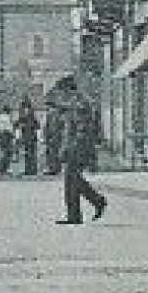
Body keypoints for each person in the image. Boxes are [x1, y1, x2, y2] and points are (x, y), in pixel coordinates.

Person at [54, 77, 106, 225]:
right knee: (72, 180)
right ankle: (76, 214)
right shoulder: (75, 103)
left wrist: (72, 148)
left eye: (61, 92)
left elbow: (82, 130)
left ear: (67, 90)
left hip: (79, 147)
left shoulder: (79, 104)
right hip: (76, 146)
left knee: (72, 179)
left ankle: (96, 202)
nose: (60, 96)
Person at [16, 100, 41, 175]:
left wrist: (24, 126)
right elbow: (17, 124)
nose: (25, 110)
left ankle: (32, 170)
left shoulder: (30, 117)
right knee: (28, 154)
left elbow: (37, 126)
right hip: (28, 138)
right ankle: (29, 170)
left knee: (31, 154)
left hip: (31, 138)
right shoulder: (26, 117)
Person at [0, 106, 15, 175]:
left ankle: (2, 169)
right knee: (8, 152)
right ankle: (3, 169)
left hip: (1, 135)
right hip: (7, 136)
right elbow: (9, 128)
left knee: (4, 152)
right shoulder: (7, 118)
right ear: (8, 111)